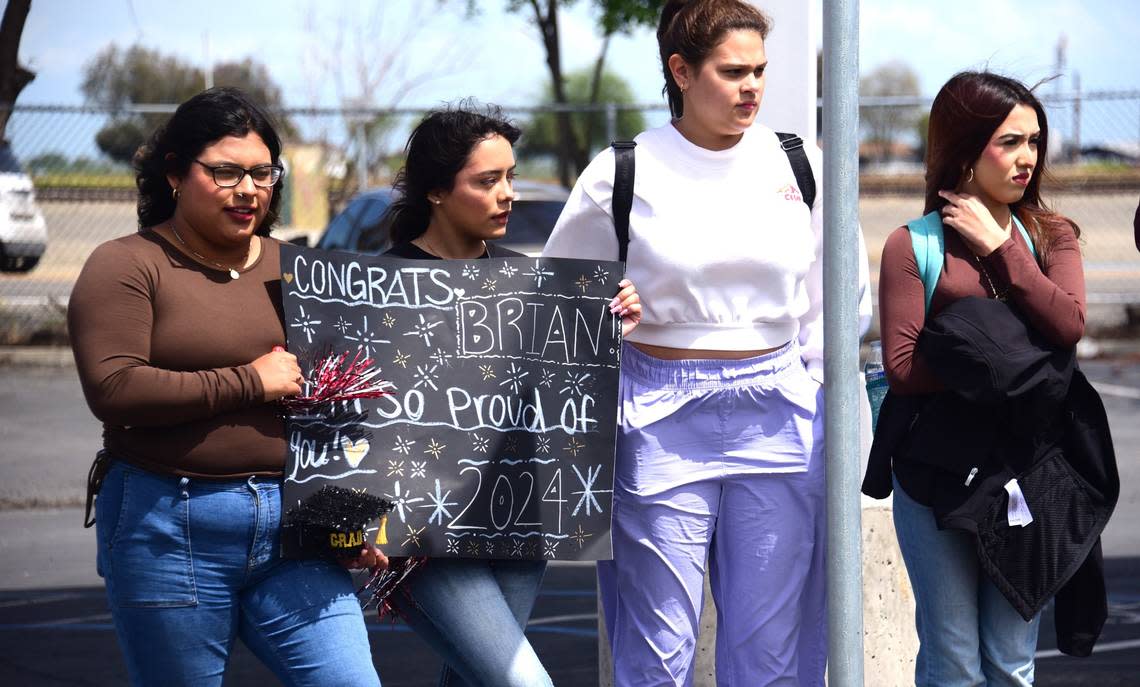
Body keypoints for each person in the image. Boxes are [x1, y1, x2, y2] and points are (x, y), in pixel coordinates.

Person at [541, 1, 871, 684]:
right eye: (733, 71)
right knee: (657, 652)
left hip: (780, 415)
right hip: (659, 419)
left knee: (771, 653)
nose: (752, 86)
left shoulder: (799, 162)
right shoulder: (622, 172)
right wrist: (606, 313)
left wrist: (809, 382)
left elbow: (840, 295)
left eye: (759, 70)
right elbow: (559, 302)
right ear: (681, 70)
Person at [69, 87, 385, 686]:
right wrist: (250, 381)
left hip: (296, 535)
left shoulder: (305, 270)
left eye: (262, 173)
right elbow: (114, 388)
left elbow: (343, 414)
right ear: (174, 175)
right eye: (225, 172)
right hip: (168, 525)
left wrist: (351, 524)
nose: (248, 190)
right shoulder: (128, 265)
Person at [379, 104, 641, 686]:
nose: (508, 195)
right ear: (437, 191)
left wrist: (608, 325)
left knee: (476, 679)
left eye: (511, 177)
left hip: (519, 522)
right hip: (424, 538)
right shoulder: (379, 286)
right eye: (487, 180)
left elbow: (558, 393)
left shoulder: (527, 281)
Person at [875, 71, 1086, 686]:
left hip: (1029, 475)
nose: (1028, 158)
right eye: (1009, 142)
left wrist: (1001, 250)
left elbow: (1067, 325)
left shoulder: (1052, 235)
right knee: (953, 661)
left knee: (1011, 662)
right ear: (965, 150)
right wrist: (1019, 361)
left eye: (1034, 141)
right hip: (933, 478)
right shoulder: (911, 245)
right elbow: (904, 368)